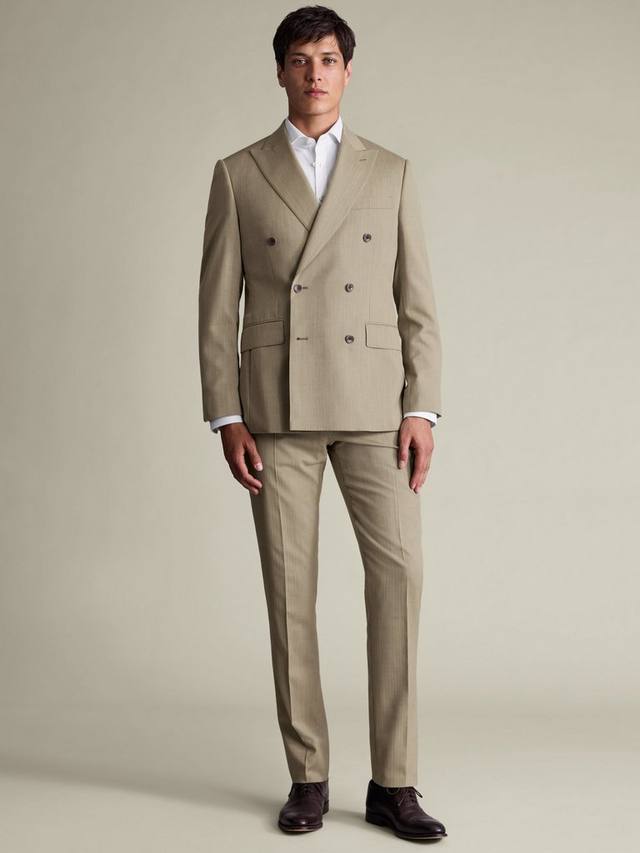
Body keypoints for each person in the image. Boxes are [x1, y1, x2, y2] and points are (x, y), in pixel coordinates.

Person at [197, 5, 447, 842]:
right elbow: (216, 308)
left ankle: (394, 782)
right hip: (277, 408)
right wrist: (227, 413)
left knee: (399, 582)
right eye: (301, 60)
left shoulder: (392, 171)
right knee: (289, 592)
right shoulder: (239, 173)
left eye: (329, 59)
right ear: (280, 72)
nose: (315, 73)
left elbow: (418, 303)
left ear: (348, 71)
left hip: (376, 406)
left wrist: (421, 406)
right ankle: (308, 775)